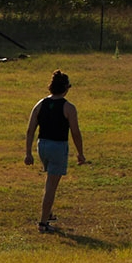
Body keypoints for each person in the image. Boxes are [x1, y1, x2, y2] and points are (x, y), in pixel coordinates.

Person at [24, 70, 89, 233]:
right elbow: (75, 132)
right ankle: (43, 223)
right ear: (66, 88)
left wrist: (28, 153)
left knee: (49, 181)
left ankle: (48, 212)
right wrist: (80, 153)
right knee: (51, 186)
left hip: (42, 146)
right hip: (58, 147)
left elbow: (30, 130)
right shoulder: (69, 107)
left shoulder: (40, 104)